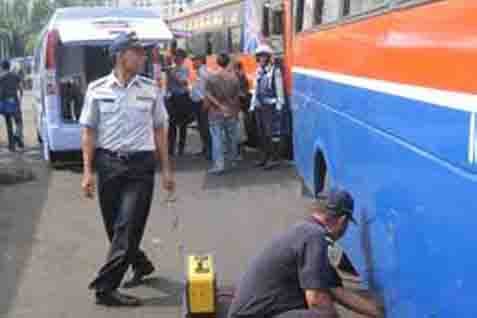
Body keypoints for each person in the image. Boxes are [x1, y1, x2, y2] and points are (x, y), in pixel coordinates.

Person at [79, 31, 175, 307]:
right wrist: (87, 172)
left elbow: (160, 130)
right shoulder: (97, 90)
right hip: (108, 164)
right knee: (115, 229)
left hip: (140, 167)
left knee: (128, 225)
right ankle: (141, 263)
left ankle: (105, 288)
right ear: (121, 56)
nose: (143, 56)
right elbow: (88, 131)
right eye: (138, 52)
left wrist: (166, 170)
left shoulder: (150, 89)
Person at [228, 189, 385, 318]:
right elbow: (316, 300)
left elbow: (335, 290)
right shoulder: (314, 236)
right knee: (324, 315)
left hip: (255, 313)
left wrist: (378, 313)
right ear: (342, 221)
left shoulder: (306, 230)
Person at [204, 53, 241, 174]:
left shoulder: (211, 77)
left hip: (215, 113)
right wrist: (235, 112)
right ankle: (233, 161)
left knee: (217, 139)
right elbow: (236, 97)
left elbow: (208, 95)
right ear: (228, 63)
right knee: (232, 137)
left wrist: (218, 105)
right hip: (230, 111)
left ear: (217, 62)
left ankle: (219, 165)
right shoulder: (234, 78)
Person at [250, 45, 286, 170]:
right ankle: (264, 157)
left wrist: (279, 106)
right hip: (260, 107)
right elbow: (255, 90)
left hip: (271, 106)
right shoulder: (258, 70)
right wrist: (252, 105)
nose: (261, 58)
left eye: (264, 56)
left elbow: (279, 89)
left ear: (269, 57)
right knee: (262, 134)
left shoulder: (275, 71)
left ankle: (274, 159)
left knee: (272, 134)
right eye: (259, 56)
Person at [166, 48, 194, 156]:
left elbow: (183, 82)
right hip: (172, 98)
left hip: (182, 97)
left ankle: (181, 149)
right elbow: (168, 84)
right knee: (171, 124)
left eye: (178, 56)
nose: (176, 58)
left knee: (183, 125)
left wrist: (172, 74)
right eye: (175, 56)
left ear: (182, 59)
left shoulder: (184, 69)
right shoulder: (170, 68)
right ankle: (171, 149)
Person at [190, 54, 211, 159]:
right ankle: (205, 148)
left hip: (203, 103)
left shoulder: (204, 73)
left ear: (200, 61)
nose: (192, 63)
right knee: (201, 127)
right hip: (197, 103)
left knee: (205, 127)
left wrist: (206, 100)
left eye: (194, 60)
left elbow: (208, 88)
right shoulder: (199, 72)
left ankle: (209, 150)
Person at [0, 59, 24, 151]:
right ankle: (17, 135)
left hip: (4, 102)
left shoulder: (1, 77)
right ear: (9, 66)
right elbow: (21, 88)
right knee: (19, 121)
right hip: (14, 101)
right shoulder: (16, 76)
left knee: (8, 123)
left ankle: (11, 146)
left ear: (2, 67)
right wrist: (20, 97)